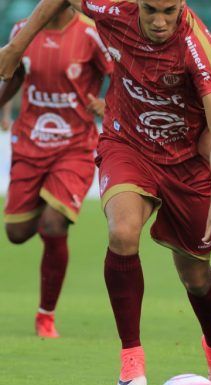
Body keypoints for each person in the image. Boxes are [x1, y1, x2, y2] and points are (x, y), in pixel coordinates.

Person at [0, 1, 211, 385]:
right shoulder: (112, 8)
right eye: (150, 10)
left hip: (185, 162)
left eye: (168, 11)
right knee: (122, 232)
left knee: (196, 277)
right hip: (126, 144)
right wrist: (17, 47)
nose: (160, 21)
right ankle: (132, 362)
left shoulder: (199, 48)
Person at [1, 7, 112, 338]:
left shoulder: (92, 33)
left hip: (75, 145)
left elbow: (120, 76)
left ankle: (45, 315)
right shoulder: (22, 29)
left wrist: (110, 105)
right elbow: (15, 73)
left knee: (54, 224)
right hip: (30, 142)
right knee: (16, 233)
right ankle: (48, 203)